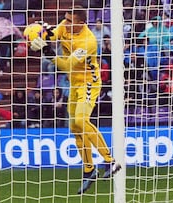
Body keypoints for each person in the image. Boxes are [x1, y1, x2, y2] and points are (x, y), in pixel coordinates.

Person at [29, 7, 121, 194]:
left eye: (71, 21)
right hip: (74, 84)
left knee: (81, 120)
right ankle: (89, 170)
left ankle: (110, 161)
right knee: (75, 127)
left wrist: (46, 50)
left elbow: (67, 64)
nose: (67, 23)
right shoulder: (65, 25)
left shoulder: (89, 41)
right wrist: (40, 33)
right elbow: (52, 35)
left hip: (89, 83)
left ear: (81, 23)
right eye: (66, 19)